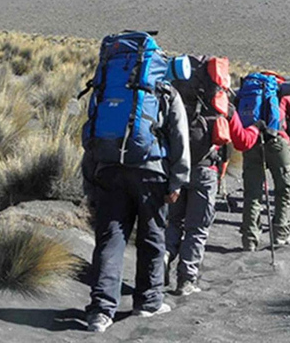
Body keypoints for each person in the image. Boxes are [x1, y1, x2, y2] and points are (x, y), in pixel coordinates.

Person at [82, 79, 190, 332]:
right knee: (151, 237)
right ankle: (148, 301)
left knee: (110, 239)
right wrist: (177, 181)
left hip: (108, 170)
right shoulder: (163, 90)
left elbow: (91, 138)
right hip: (151, 172)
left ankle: (100, 311)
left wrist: (89, 181)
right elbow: (178, 136)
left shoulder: (107, 87)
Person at [230, 74, 290, 250]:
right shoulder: (280, 92)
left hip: (252, 140)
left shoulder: (247, 92)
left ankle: (249, 240)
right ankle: (280, 235)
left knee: (253, 193)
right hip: (277, 142)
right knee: (283, 189)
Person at [164, 142, 226, 296]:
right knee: (197, 228)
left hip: (176, 169)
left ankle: (165, 255)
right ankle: (186, 279)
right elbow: (233, 141)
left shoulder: (177, 116)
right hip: (205, 171)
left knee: (173, 222)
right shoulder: (219, 116)